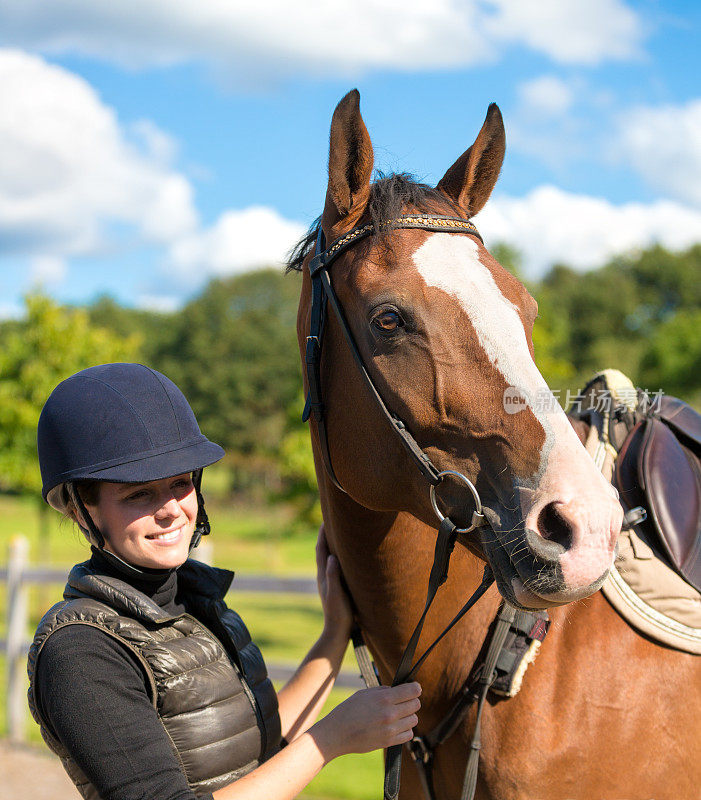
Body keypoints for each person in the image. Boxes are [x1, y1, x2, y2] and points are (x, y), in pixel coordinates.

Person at [28, 362, 421, 800]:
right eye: (138, 494)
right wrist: (330, 740)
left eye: (180, 483)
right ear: (82, 511)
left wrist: (334, 635)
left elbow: (259, 748)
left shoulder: (197, 601)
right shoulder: (80, 651)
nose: (171, 509)